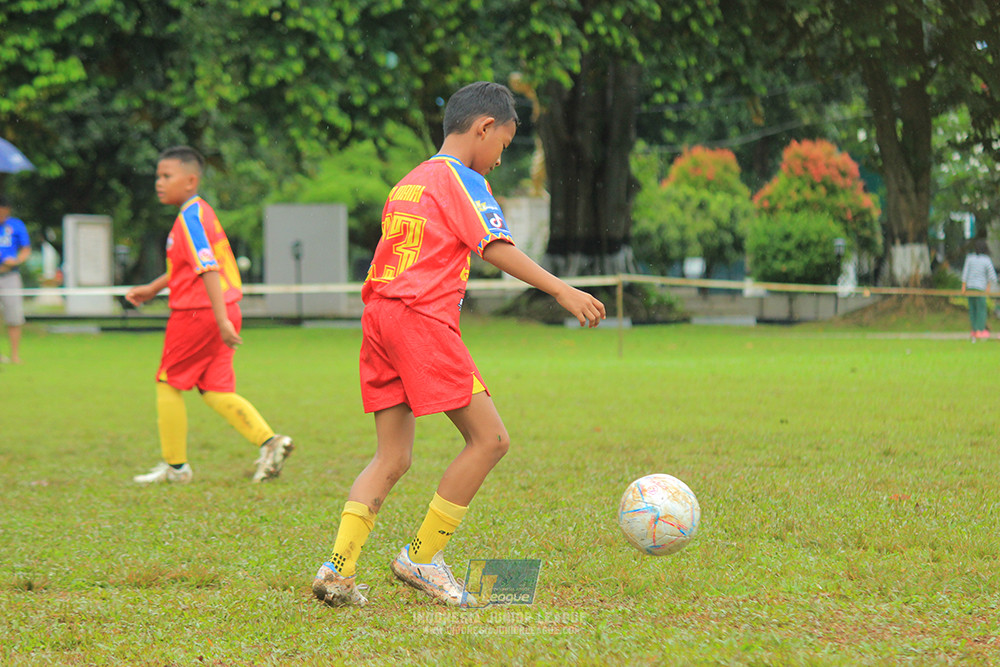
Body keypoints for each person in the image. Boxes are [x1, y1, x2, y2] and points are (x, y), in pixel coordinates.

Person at [311, 82, 606, 608]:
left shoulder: (410, 181)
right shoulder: (461, 179)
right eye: (504, 146)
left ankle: (338, 569)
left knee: (392, 456)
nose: (499, 160)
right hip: (419, 318)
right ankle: (422, 557)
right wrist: (563, 289)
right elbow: (494, 245)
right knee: (490, 439)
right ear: (484, 128)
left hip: (378, 317)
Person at [126, 146, 293, 484]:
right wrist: (153, 288)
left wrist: (220, 320)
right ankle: (270, 442)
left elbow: (207, 268)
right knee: (214, 388)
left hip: (198, 313)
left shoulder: (190, 217)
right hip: (220, 309)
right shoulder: (199, 213)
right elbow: (188, 267)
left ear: (191, 181)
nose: (159, 183)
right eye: (157, 176)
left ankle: (176, 468)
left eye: (166, 176)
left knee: (167, 383)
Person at [0, 195, 31, 364]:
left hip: (10, 276)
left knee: (14, 316)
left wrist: (15, 261)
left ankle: (14, 355)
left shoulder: (16, 225)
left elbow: (26, 249)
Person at [961, 238, 997, 341]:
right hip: (980, 288)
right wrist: (988, 286)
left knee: (973, 309)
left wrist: (963, 287)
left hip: (970, 288)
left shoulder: (970, 258)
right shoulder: (986, 260)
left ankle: (974, 330)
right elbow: (992, 276)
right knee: (981, 310)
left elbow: (965, 273)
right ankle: (979, 331)